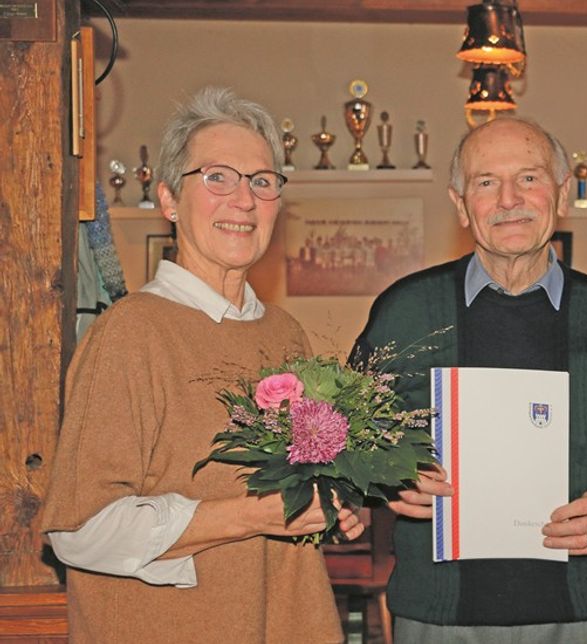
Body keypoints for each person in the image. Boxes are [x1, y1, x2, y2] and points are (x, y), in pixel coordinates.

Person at [41, 86, 363, 644]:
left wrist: (330, 503)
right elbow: (80, 531)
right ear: (168, 200)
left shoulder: (284, 332)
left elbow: (288, 487)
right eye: (217, 177)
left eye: (262, 181)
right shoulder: (130, 332)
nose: (244, 200)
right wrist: (251, 515)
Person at [352, 116, 587, 643]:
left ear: (561, 194)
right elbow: (343, 443)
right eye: (486, 182)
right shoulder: (406, 312)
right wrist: (385, 480)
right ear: (461, 204)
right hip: (442, 618)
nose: (510, 199)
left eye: (529, 178)